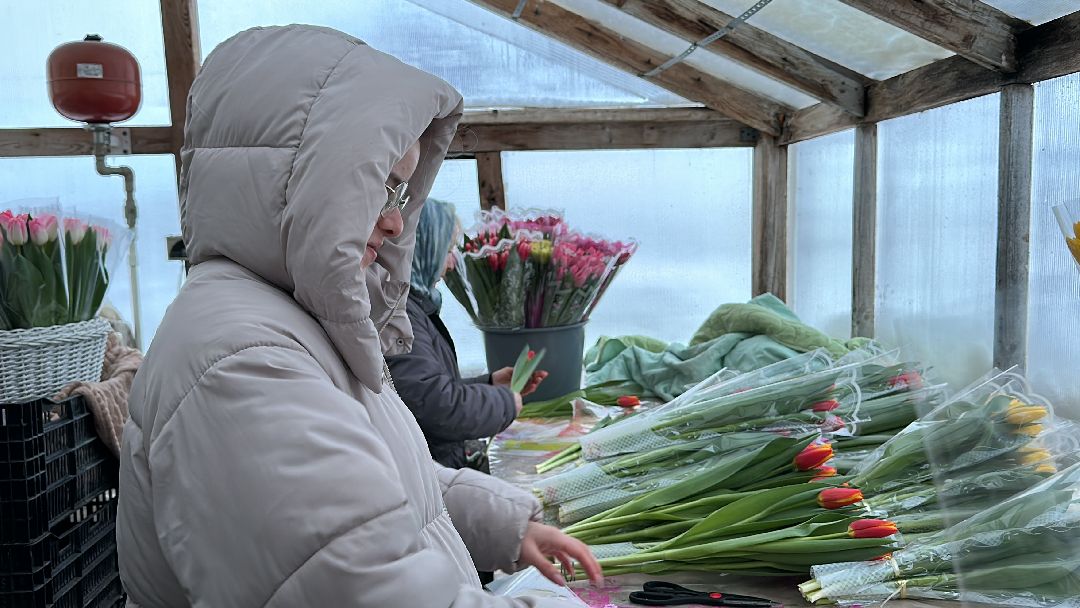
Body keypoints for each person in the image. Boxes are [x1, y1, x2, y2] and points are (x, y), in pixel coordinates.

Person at [116, 25, 600, 607]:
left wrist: (504, 524)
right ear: (303, 179)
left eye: (401, 194)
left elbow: (379, 485)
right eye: (376, 184)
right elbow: (354, 583)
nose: (396, 224)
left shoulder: (289, 319)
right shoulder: (244, 364)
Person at [387, 200, 547, 469]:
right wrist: (505, 403)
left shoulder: (413, 307)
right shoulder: (400, 318)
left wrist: (489, 384)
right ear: (421, 248)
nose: (451, 263)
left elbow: (428, 385)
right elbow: (435, 406)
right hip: (433, 474)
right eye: (447, 250)